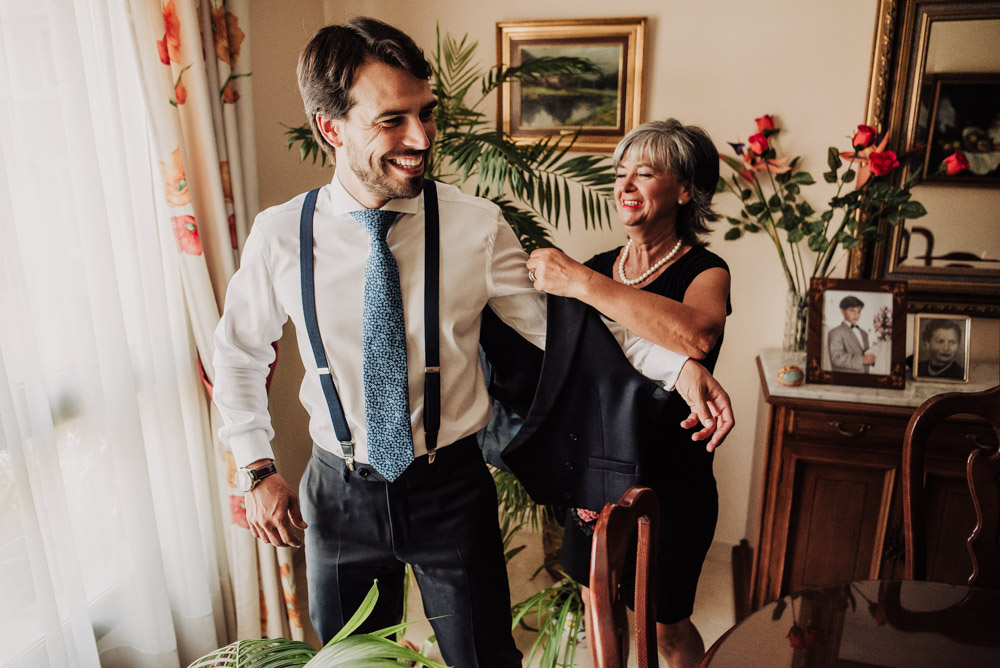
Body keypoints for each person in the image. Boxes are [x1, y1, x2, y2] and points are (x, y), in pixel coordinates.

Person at [212, 18, 733, 667]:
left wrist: (678, 367)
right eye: (392, 120)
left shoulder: (476, 227)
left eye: (426, 115)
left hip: (449, 492)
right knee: (351, 662)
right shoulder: (279, 236)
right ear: (331, 129)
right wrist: (255, 467)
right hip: (338, 494)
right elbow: (238, 351)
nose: (420, 139)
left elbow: (565, 329)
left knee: (485, 660)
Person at [527, 118, 732, 668]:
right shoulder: (593, 269)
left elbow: (697, 333)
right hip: (597, 474)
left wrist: (583, 285)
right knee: (603, 615)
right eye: (621, 174)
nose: (625, 186)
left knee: (665, 629)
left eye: (645, 173)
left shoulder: (705, 270)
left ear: (685, 190)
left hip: (674, 485)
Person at [827, 295, 875, 373]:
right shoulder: (835, 332)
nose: (856, 315)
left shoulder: (864, 333)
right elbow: (836, 358)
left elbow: (865, 356)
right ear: (842, 311)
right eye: (852, 311)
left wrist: (871, 359)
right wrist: (861, 360)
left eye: (859, 311)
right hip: (844, 379)